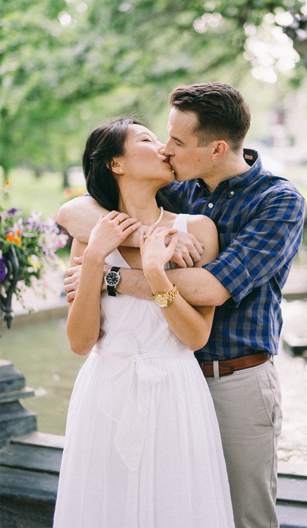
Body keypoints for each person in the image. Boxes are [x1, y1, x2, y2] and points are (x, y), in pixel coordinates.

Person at [58, 83, 305, 528]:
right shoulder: (180, 191)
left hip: (231, 380)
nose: (166, 150)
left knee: (240, 516)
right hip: (139, 384)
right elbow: (72, 210)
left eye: (175, 141)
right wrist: (130, 240)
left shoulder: (277, 202)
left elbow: (210, 289)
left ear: (216, 149)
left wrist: (111, 277)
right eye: (159, 139)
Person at [53, 118, 234, 527]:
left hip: (174, 391)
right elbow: (81, 343)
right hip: (105, 392)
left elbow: (195, 336)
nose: (164, 148)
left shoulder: (197, 230)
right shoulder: (90, 237)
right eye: (148, 140)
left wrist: (156, 275)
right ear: (116, 163)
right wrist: (96, 259)